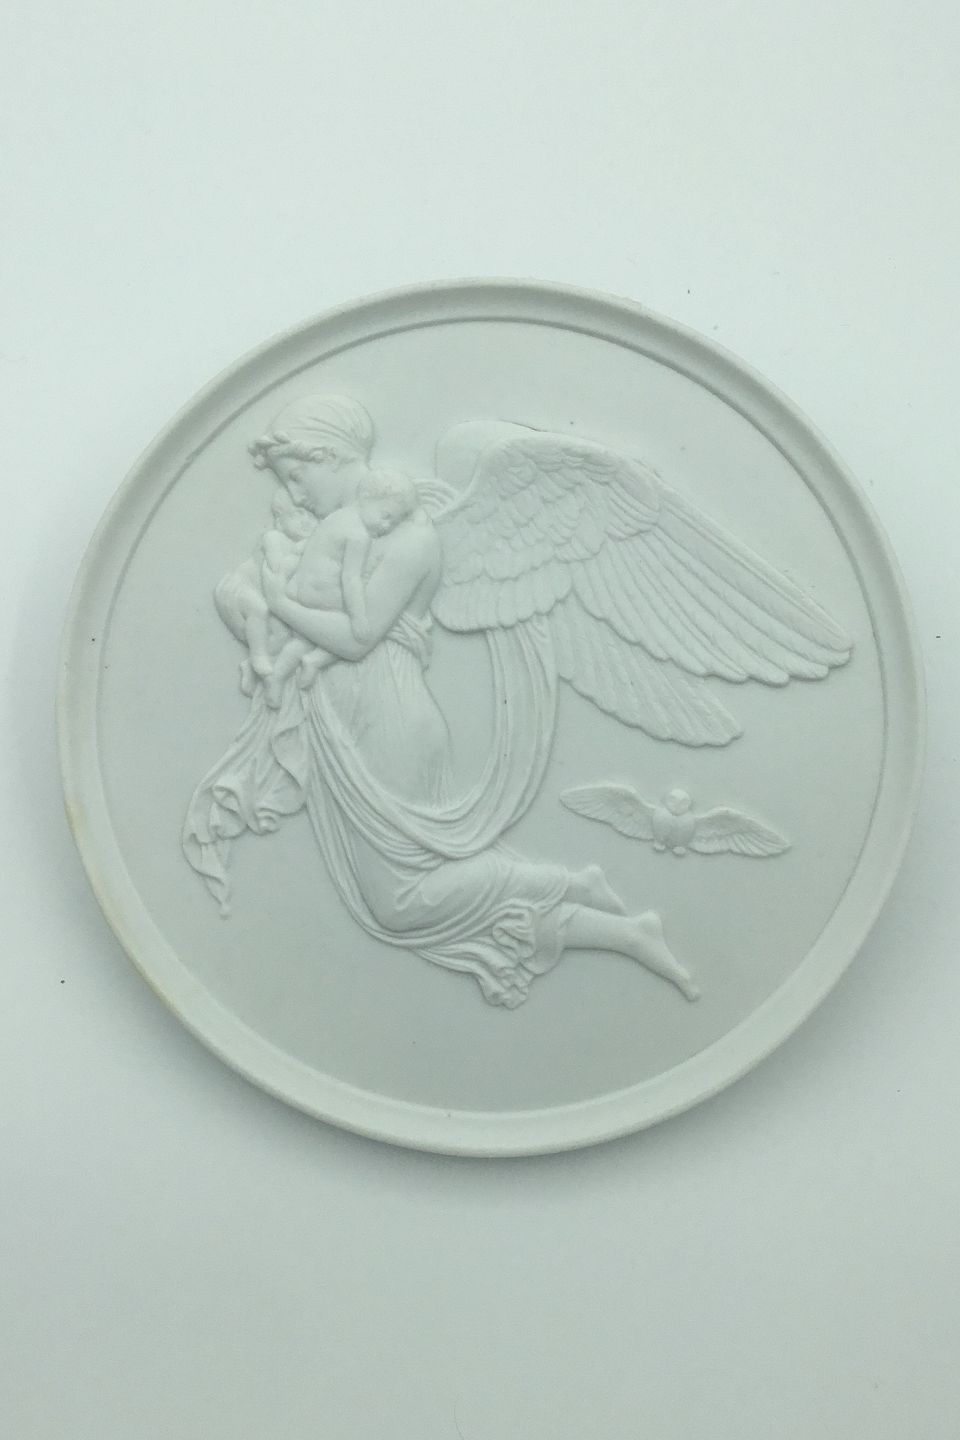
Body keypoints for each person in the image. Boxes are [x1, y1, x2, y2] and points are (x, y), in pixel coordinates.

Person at [263, 467, 419, 706]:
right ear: (366, 497)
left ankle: (276, 677)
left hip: (297, 589)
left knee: (301, 642)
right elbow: (350, 579)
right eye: (386, 515)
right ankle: (315, 661)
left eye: (394, 523)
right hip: (320, 598)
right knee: (354, 634)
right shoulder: (359, 536)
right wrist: (358, 618)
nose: (387, 526)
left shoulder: (336, 517)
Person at [213, 486, 315, 698]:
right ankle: (258, 656)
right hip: (239, 589)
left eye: (311, 515)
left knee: (282, 637)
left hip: (269, 599)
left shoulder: (307, 547)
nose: (306, 520)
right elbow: (277, 568)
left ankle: (252, 668)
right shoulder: (273, 538)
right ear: (280, 520)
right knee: (259, 609)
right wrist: (303, 550)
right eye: (298, 514)